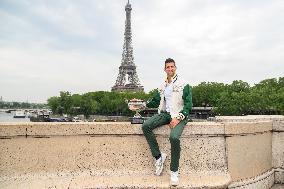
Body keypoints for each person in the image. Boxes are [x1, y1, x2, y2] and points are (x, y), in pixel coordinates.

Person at [142, 58, 192, 186]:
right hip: (165, 114)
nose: (170, 69)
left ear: (175, 68)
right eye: (167, 67)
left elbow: (188, 105)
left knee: (174, 137)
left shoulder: (184, 84)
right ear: (164, 69)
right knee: (146, 126)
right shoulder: (163, 85)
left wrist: (178, 118)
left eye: (172, 67)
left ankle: (174, 171)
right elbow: (155, 101)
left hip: (179, 115)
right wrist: (141, 104)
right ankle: (158, 157)